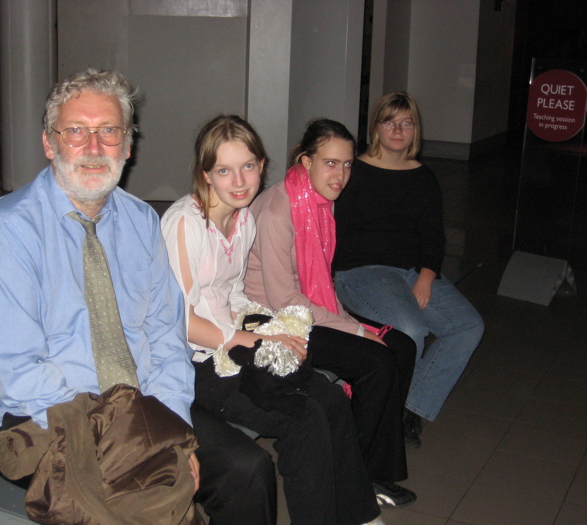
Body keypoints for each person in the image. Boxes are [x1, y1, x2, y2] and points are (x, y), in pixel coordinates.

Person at [0, 69, 271, 524]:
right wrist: (136, 439)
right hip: (47, 415)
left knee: (247, 469)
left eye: (109, 132)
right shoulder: (11, 229)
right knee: (139, 502)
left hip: (141, 406)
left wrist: (172, 429)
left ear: (128, 146)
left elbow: (166, 336)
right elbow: (17, 371)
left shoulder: (141, 222)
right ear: (49, 144)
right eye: (76, 132)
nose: (94, 148)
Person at [161, 114, 384, 525]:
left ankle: (359, 514)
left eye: (248, 166)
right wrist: (250, 341)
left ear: (262, 166)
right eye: (224, 170)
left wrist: (272, 326)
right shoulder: (185, 224)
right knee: (304, 418)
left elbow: (233, 293)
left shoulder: (243, 219)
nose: (239, 180)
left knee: (331, 400)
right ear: (206, 173)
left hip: (234, 341)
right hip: (193, 362)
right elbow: (180, 320)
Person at [244, 118, 417, 508]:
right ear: (305, 162)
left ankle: (368, 461)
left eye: (347, 164)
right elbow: (286, 301)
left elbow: (320, 281)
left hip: (311, 307)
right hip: (276, 321)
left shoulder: (320, 204)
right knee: (377, 359)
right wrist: (355, 330)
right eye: (330, 163)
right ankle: (359, 471)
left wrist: (352, 323)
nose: (340, 175)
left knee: (401, 346)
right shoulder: (278, 212)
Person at [332, 92, 485, 447]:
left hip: (413, 271)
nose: (397, 129)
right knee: (410, 328)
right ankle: (384, 416)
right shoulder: (354, 171)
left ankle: (408, 411)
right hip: (361, 271)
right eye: (389, 121)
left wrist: (428, 276)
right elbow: (334, 233)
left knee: (467, 325)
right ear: (376, 127)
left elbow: (433, 236)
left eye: (406, 122)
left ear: (416, 129)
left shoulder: (423, 177)